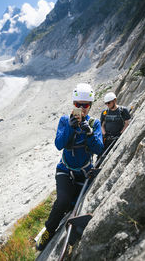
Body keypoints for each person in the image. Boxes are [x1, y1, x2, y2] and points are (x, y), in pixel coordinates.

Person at [36, 83, 104, 251]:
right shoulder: (65, 121)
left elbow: (99, 149)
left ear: (90, 106)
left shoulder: (94, 124)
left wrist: (89, 133)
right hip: (65, 170)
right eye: (78, 105)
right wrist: (71, 129)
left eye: (85, 105)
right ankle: (48, 231)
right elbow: (59, 144)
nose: (81, 108)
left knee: (74, 204)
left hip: (84, 172)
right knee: (63, 201)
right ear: (74, 104)